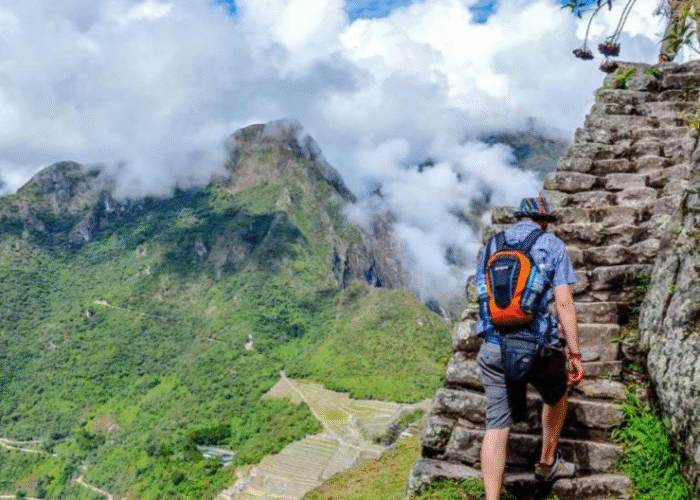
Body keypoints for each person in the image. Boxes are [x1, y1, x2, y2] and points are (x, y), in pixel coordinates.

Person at [474, 195, 584, 500]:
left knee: (496, 423)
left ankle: (491, 498)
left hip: (494, 345)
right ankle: (547, 462)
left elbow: (484, 295)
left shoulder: (492, 246)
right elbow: (564, 303)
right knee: (556, 393)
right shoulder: (552, 245)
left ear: (517, 219)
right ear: (544, 221)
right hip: (538, 348)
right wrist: (574, 353)